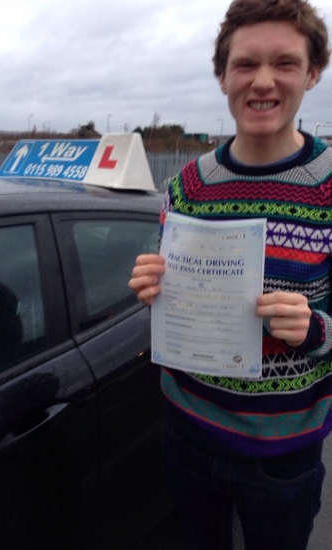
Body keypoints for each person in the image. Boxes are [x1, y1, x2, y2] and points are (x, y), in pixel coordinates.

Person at [128, 1, 332, 548]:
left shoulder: (329, 187)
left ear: (313, 72)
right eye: (245, 64)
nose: (262, 80)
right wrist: (153, 287)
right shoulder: (188, 183)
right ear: (222, 76)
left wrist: (315, 329)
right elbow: (172, 286)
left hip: (281, 457)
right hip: (186, 434)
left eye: (285, 63)